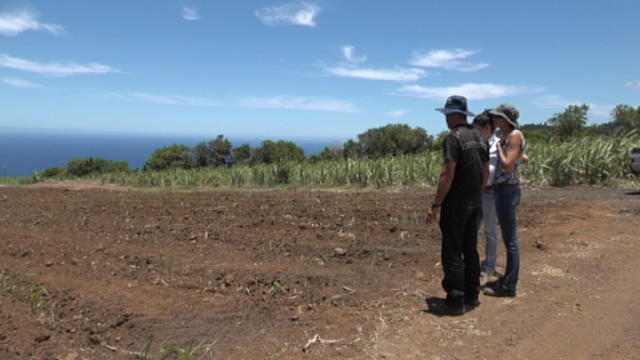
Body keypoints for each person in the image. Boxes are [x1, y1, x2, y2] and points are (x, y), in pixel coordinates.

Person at [427, 95, 489, 315]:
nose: (445, 119)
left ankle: (455, 299)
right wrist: (478, 193)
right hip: (475, 202)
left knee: (452, 250)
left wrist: (436, 204)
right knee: (470, 248)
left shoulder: (453, 138)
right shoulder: (480, 137)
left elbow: (448, 173)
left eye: (447, 115)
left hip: (456, 204)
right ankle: (472, 294)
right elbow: (485, 171)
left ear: (455, 115)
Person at [482, 104, 526, 298]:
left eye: (499, 118)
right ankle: (508, 279)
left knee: (510, 240)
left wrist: (499, 147)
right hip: (504, 190)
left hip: (507, 190)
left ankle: (509, 285)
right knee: (509, 238)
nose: (497, 122)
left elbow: (507, 166)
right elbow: (522, 158)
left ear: (506, 120)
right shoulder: (510, 137)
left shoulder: (514, 136)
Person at [472, 111, 501, 279]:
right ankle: (471, 260)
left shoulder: (498, 145)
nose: (475, 132)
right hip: (476, 192)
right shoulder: (475, 143)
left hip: (490, 192)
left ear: (488, 128)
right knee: (472, 227)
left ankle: (489, 264)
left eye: (478, 129)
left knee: (490, 229)